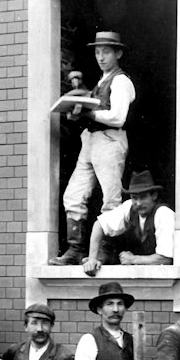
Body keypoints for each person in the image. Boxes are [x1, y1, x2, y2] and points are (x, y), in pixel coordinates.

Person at [49, 31, 136, 266]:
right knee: (74, 195)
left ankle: (106, 250)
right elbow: (95, 108)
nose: (101, 57)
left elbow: (117, 117)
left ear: (118, 52)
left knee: (111, 198)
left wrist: (88, 112)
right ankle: (75, 249)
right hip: (90, 140)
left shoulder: (121, 81)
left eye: (106, 51)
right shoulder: (101, 82)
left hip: (109, 139)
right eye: (97, 52)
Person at [82, 170, 174, 276]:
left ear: (154, 196)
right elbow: (99, 225)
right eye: (135, 198)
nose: (138, 203)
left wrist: (133, 259)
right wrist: (92, 259)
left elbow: (165, 259)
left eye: (143, 197)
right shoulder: (129, 207)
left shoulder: (164, 214)